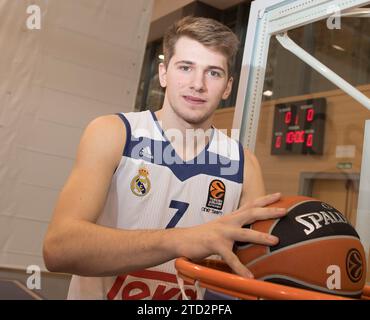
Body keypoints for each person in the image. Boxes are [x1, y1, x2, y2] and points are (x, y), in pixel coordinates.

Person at [43, 16, 286, 300]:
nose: (198, 84)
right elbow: (59, 249)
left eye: (213, 73)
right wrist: (185, 239)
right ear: (163, 74)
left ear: (228, 87)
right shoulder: (114, 133)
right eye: (185, 67)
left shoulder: (244, 165)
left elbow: (252, 275)